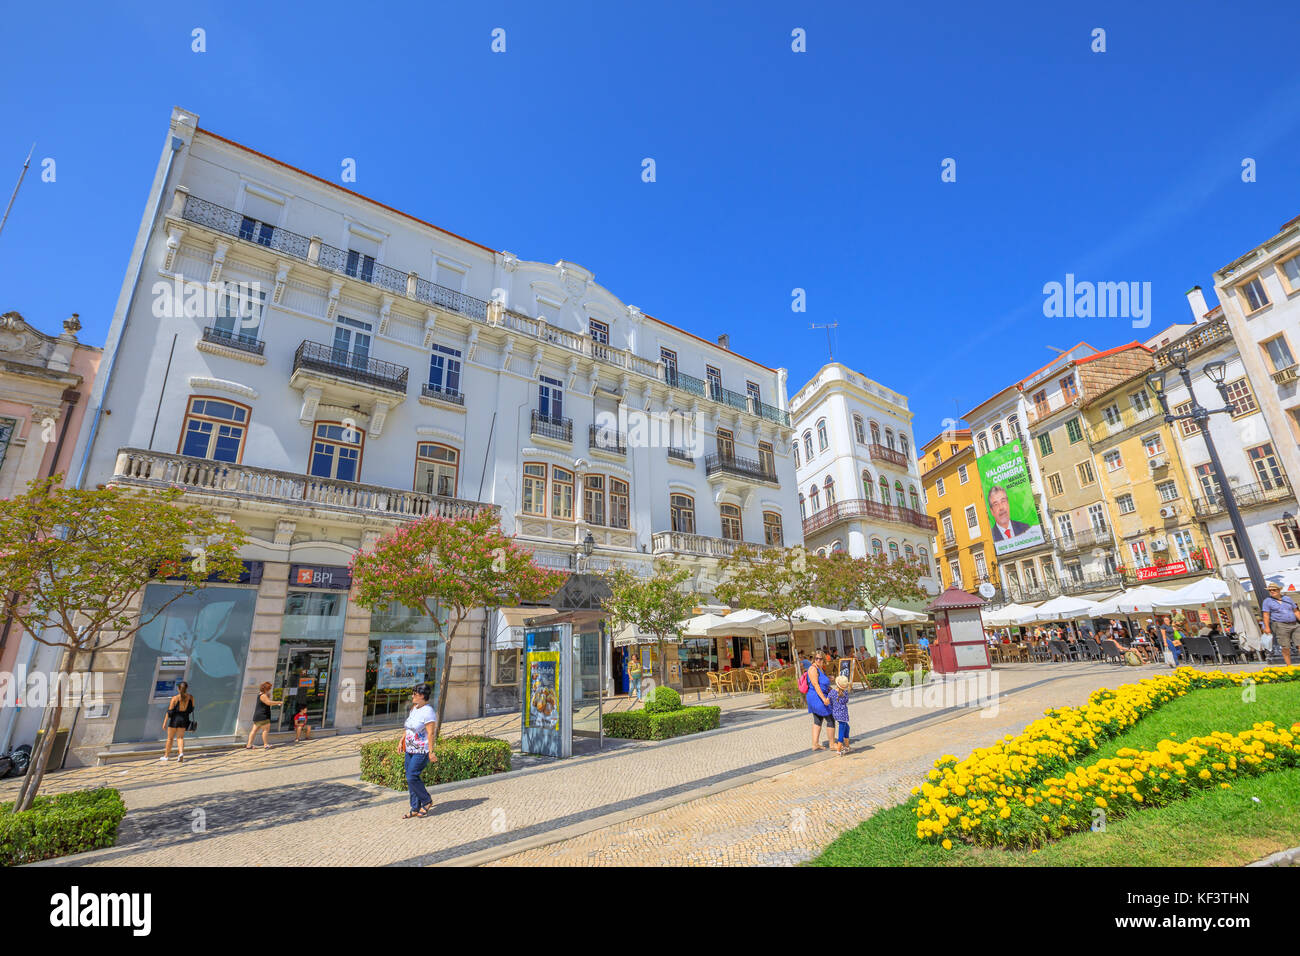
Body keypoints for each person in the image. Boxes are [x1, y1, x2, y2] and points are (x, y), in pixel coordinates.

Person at [400, 683, 438, 819]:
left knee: (412, 776)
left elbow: (430, 734)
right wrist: (402, 740)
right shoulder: (414, 708)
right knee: (410, 779)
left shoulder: (428, 712)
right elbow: (408, 727)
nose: (412, 696)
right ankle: (415, 807)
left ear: (422, 696)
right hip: (409, 749)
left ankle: (427, 801)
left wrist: (431, 752)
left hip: (421, 751)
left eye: (415, 694)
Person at [1261, 583, 1298, 665]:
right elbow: (1266, 615)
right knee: (1285, 647)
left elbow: (1295, 611)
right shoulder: (1267, 601)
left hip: (1294, 624)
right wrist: (1266, 627)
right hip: (1280, 625)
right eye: (1270, 590)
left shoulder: (1287, 599)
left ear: (1279, 590)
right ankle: (1289, 666)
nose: (1272, 591)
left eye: (1274, 590)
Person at [805, 651, 834, 752]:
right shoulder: (813, 669)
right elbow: (816, 685)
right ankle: (832, 744)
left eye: (820, 659)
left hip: (818, 696)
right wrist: (824, 699)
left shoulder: (820, 669)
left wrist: (829, 683)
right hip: (816, 697)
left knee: (818, 720)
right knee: (830, 719)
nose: (818, 660)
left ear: (824, 660)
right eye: (816, 658)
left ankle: (815, 744)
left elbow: (822, 683)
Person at [161, 681, 194, 763]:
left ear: (178, 689)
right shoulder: (191, 697)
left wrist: (164, 723)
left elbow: (169, 712)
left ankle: (166, 756)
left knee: (170, 738)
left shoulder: (175, 698)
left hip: (174, 720)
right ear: (186, 688)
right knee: (180, 738)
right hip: (184, 719)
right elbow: (191, 709)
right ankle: (181, 753)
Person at [245, 681, 282, 749]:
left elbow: (266, 702)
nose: (270, 690)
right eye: (269, 688)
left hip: (257, 715)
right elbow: (269, 703)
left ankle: (249, 745)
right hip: (263, 715)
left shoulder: (260, 694)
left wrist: (268, 695)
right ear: (266, 689)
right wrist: (278, 702)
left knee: (254, 731)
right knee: (265, 730)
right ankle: (266, 744)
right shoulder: (263, 695)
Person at [829, 675, 852, 755]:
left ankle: (847, 746)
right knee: (842, 731)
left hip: (836, 713)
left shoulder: (832, 692)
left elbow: (829, 702)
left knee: (847, 727)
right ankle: (839, 749)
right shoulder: (845, 693)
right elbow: (846, 701)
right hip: (843, 714)